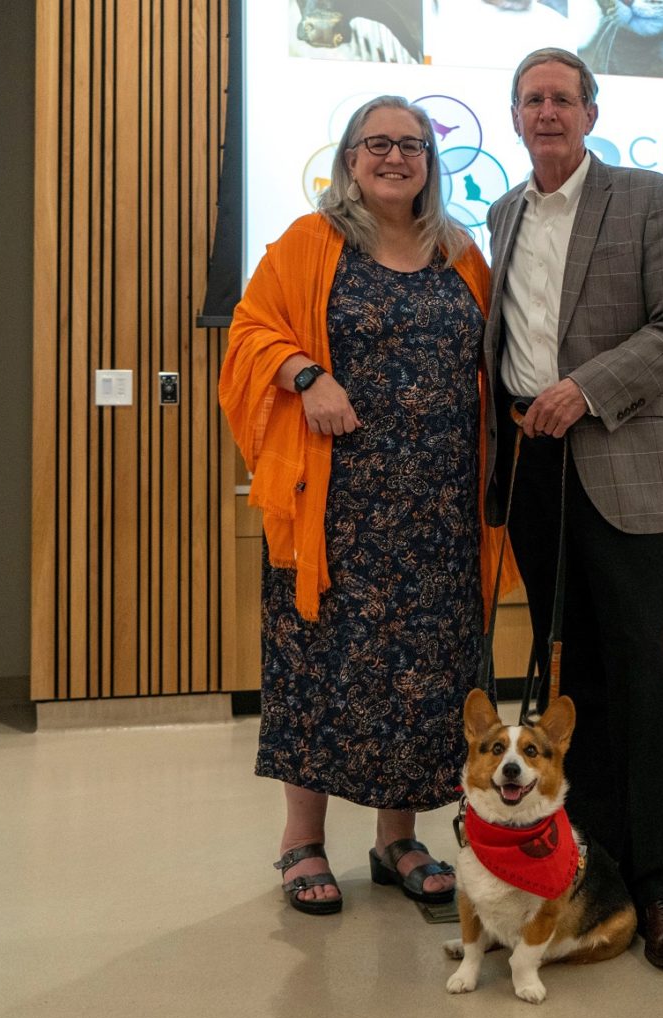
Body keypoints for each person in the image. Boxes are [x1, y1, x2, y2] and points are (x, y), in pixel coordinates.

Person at [219, 95, 513, 916]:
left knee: (427, 680)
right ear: (349, 159)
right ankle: (301, 842)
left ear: (431, 161)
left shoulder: (463, 254)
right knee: (320, 672)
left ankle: (398, 838)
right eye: (376, 144)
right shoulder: (309, 244)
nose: (395, 157)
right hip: (337, 511)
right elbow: (249, 333)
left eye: (411, 145)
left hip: (442, 515)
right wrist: (306, 376)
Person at [483, 48, 663, 967]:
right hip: (534, 476)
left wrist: (584, 386)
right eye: (532, 99)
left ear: (590, 110)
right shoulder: (500, 215)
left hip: (622, 460)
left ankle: (657, 893)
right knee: (568, 691)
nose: (547, 112)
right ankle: (579, 877)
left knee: (642, 683)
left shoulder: (647, 198)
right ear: (513, 115)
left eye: (562, 99)